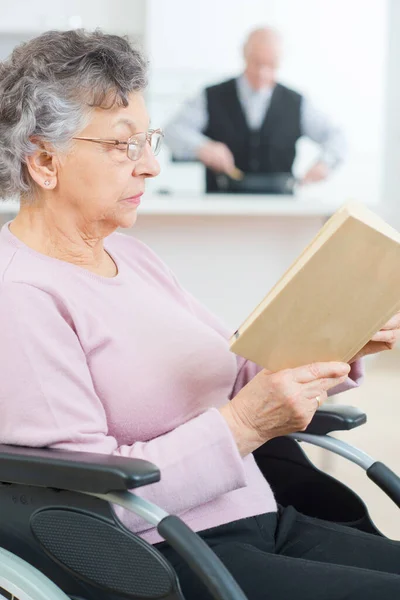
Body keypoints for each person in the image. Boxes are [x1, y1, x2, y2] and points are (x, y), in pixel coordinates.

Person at [0, 29, 399, 600]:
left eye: (149, 140)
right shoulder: (21, 293)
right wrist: (245, 426)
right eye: (123, 146)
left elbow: (236, 374)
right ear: (43, 161)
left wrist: (337, 340)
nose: (152, 166)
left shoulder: (133, 257)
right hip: (170, 554)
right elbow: (83, 502)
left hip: (264, 517)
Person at [164, 27, 347, 193]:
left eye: (271, 65)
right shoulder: (211, 95)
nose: (263, 73)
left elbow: (336, 136)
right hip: (221, 206)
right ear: (244, 55)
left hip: (281, 209)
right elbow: (172, 131)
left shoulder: (297, 102)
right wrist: (202, 146)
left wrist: (325, 164)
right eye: (257, 63)